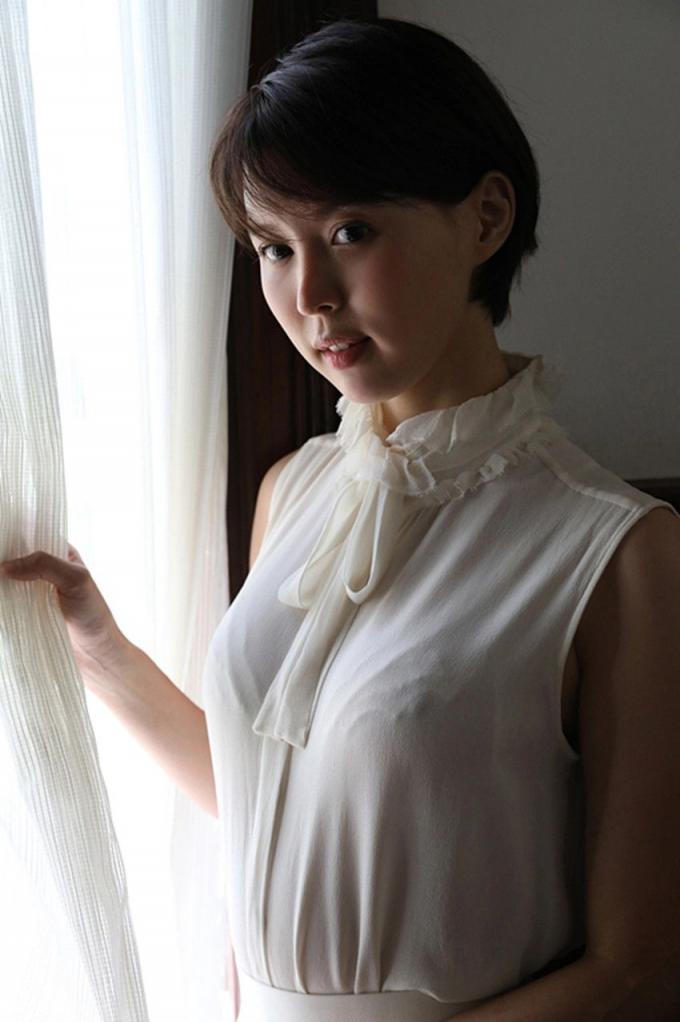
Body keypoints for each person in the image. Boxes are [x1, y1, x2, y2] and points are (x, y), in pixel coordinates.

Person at [2, 14, 680, 1022]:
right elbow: (273, 805)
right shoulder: (293, 489)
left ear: (486, 217)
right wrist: (97, 645)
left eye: (350, 232)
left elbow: (638, 967)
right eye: (273, 247)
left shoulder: (617, 551)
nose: (309, 294)